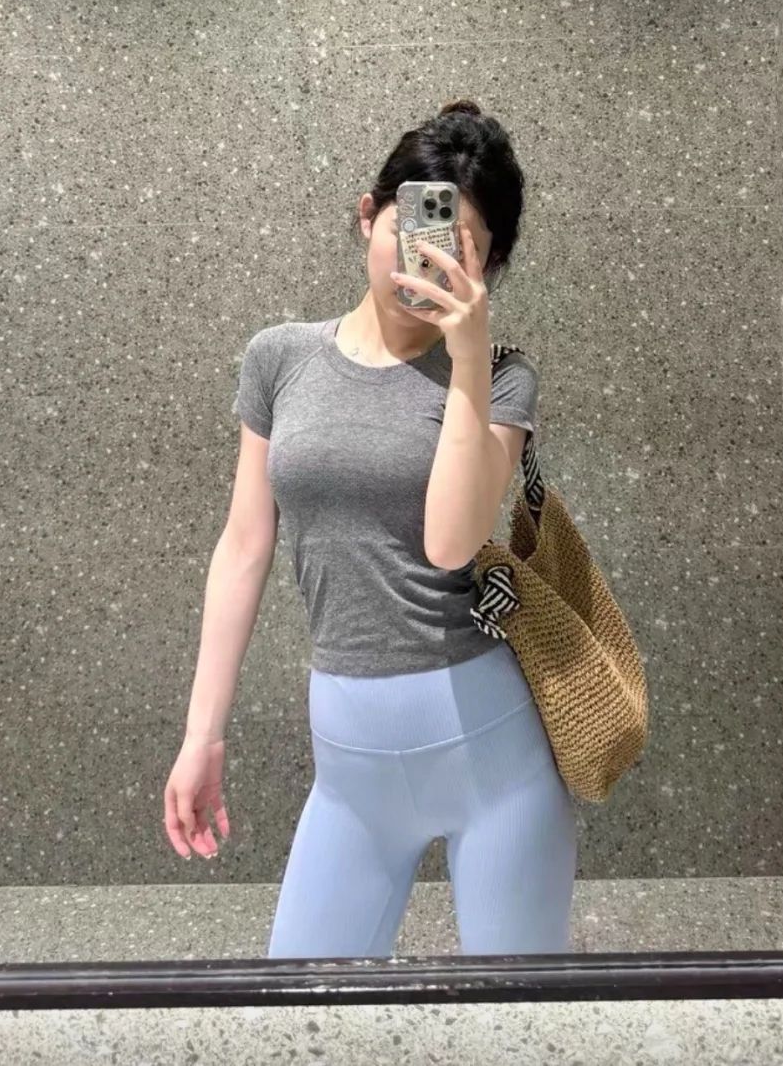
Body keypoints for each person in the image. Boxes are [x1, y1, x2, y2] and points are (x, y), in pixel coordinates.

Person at [163, 99, 578, 958]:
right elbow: (244, 545)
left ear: (491, 265)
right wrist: (202, 733)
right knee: (298, 1005)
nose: (425, 259)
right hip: (349, 776)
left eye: (462, 246)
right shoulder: (280, 358)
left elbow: (451, 541)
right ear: (368, 214)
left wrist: (468, 355)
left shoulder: (501, 378)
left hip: (492, 759)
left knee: (521, 1016)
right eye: (411, 226)